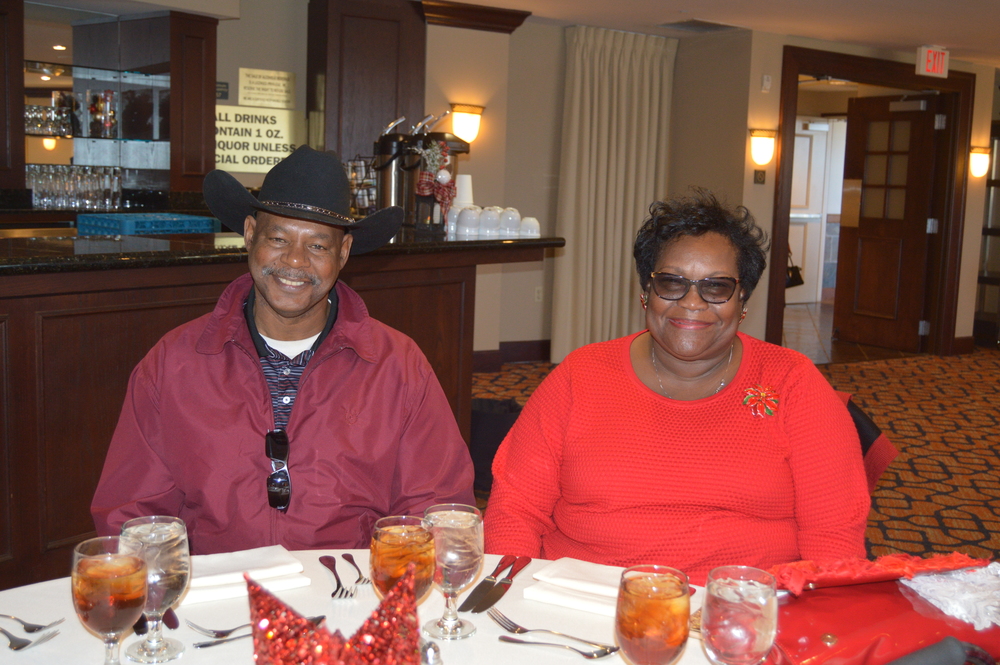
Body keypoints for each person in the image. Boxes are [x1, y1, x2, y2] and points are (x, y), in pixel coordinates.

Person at [92, 145, 475, 554]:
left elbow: (435, 508)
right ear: (250, 235)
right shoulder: (173, 363)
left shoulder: (398, 365)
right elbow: (133, 516)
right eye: (278, 238)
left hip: (351, 595)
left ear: (343, 253)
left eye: (317, 246)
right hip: (218, 601)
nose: (294, 261)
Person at [483, 192, 869, 584]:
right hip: (588, 606)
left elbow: (833, 538)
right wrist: (506, 595)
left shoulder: (793, 384)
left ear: (743, 300)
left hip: (739, 616)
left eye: (716, 287)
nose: (692, 303)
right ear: (645, 292)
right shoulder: (580, 376)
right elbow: (515, 509)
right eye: (672, 283)